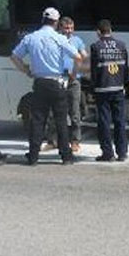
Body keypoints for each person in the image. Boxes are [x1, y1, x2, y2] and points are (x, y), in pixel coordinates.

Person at [10, 7, 82, 165]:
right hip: (57, 83)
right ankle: (66, 156)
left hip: (40, 83)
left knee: (38, 120)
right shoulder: (59, 38)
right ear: (56, 22)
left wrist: (26, 70)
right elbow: (78, 57)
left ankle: (33, 156)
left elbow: (14, 57)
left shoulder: (31, 38)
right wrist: (73, 75)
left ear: (43, 19)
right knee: (61, 120)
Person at [43, 16, 88, 153]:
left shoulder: (77, 40)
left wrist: (79, 65)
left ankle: (75, 141)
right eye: (66, 28)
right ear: (60, 28)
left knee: (75, 112)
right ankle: (52, 140)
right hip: (57, 78)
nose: (69, 31)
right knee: (52, 112)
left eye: (71, 28)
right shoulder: (55, 40)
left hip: (73, 80)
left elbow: (84, 56)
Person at [90, 19, 129, 162]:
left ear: (98, 32)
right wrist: (124, 84)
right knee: (120, 121)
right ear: (111, 31)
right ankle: (122, 152)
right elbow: (126, 69)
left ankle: (108, 153)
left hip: (102, 89)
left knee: (104, 122)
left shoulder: (96, 46)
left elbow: (94, 71)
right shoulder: (121, 45)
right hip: (118, 88)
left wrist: (93, 87)